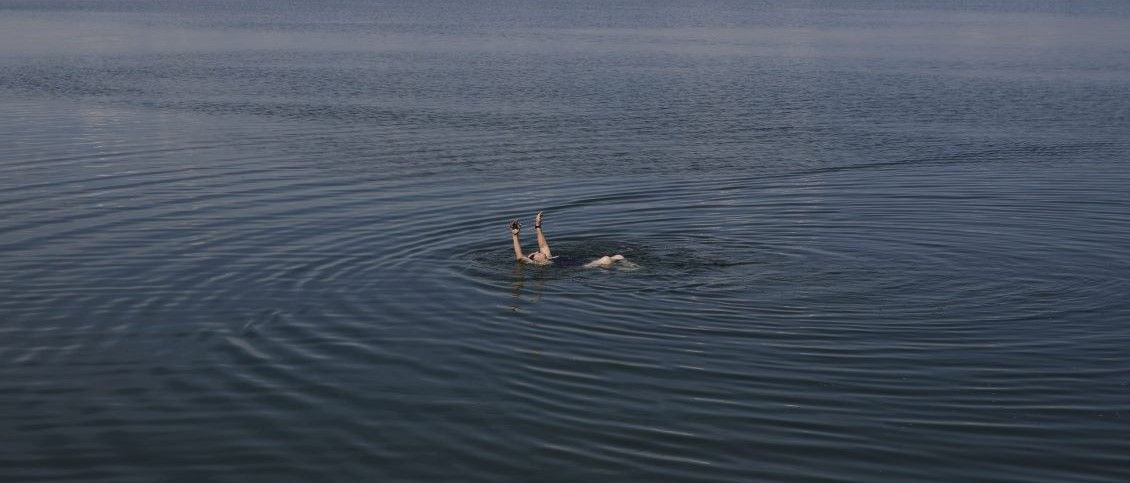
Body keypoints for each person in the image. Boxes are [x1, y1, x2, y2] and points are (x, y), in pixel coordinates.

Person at [510, 211, 627, 268]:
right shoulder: (543, 264)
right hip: (587, 266)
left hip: (585, 262)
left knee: (619, 256)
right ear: (534, 260)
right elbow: (520, 257)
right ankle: (631, 270)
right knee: (606, 259)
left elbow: (543, 246)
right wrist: (515, 236)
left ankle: (631, 269)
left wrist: (538, 225)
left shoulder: (549, 257)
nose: (537, 251)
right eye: (535, 254)